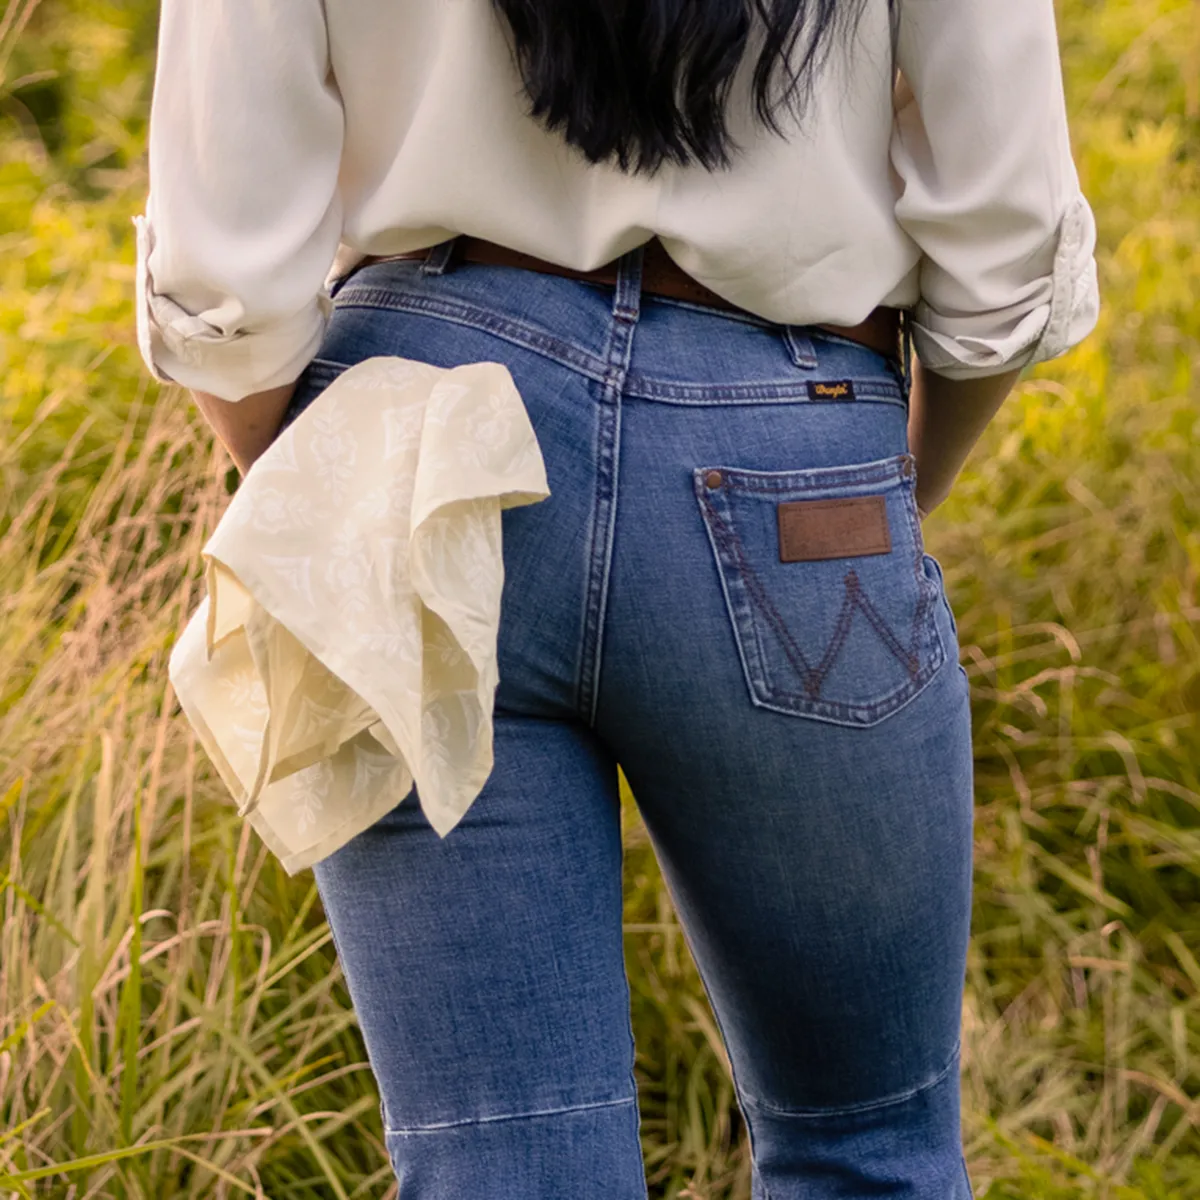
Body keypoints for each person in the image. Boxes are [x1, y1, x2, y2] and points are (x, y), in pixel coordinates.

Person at [133, 0, 1100, 1195]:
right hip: (792, 434)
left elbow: (222, 272)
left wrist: (337, 507)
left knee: (507, 1166)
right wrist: (887, 488)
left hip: (413, 437)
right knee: (868, 1152)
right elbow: (1003, 238)